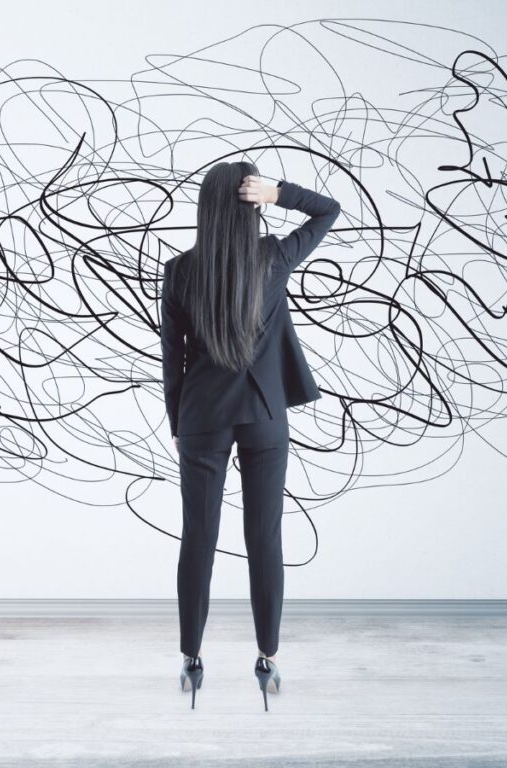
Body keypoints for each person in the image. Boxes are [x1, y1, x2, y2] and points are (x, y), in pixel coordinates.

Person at [160, 162, 341, 710]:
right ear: (251, 205)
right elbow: (329, 210)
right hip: (264, 415)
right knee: (264, 539)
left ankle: (191, 660)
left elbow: (173, 359)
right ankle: (268, 659)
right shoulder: (272, 259)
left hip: (201, 419)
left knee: (198, 540)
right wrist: (282, 192)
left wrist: (180, 424)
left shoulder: (179, 271)